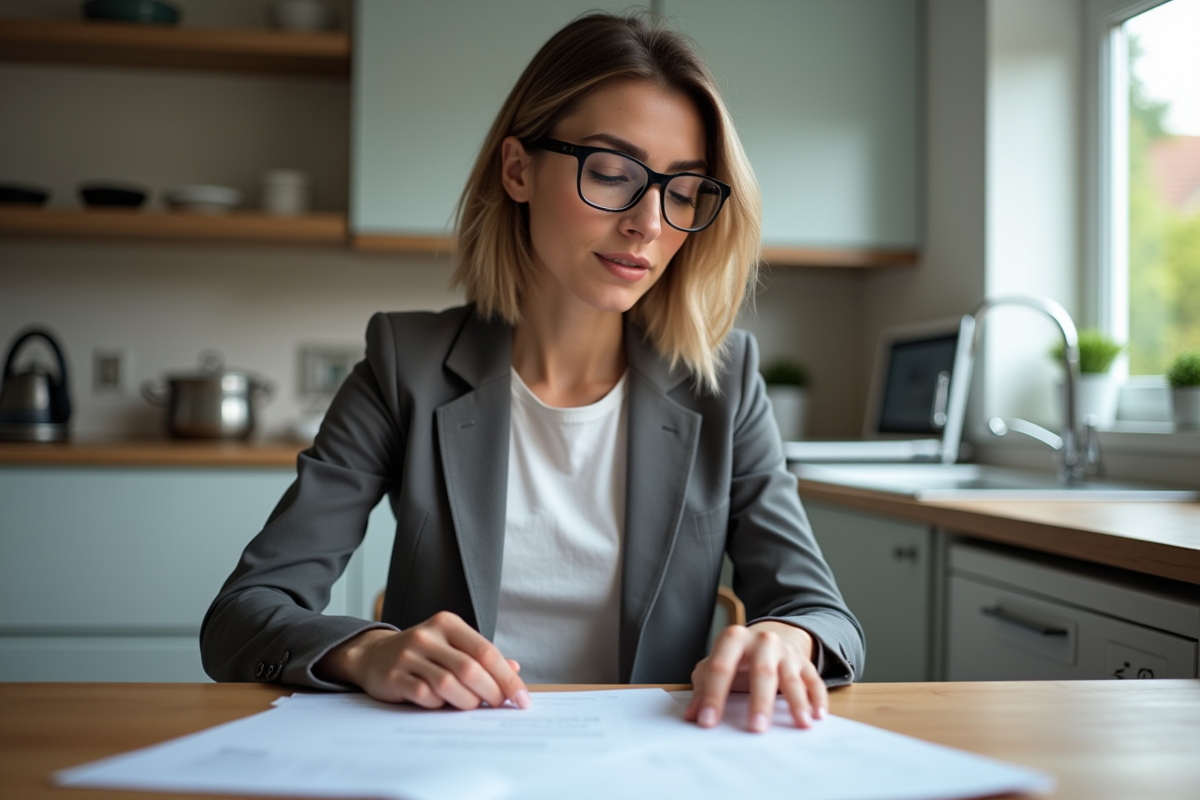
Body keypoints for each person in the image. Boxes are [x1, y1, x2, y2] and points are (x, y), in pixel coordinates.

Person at [201, 11, 863, 734]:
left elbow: (823, 615)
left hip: (652, 764)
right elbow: (244, 614)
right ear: (518, 169)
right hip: (448, 759)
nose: (649, 222)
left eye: (682, 191)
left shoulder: (725, 381)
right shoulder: (407, 365)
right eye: (612, 173)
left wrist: (786, 639)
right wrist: (367, 651)